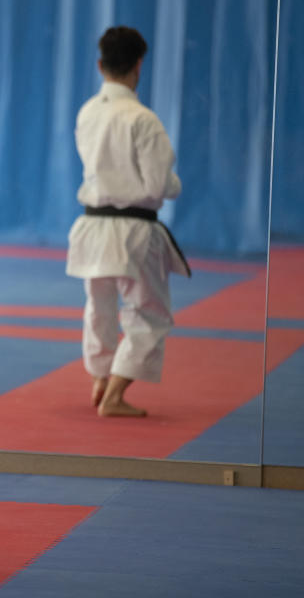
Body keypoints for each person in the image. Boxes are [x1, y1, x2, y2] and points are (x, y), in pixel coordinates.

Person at [66, 26, 190, 418]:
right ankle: (116, 393)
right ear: (139, 66)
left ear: (100, 64)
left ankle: (101, 379)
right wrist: (175, 183)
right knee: (148, 312)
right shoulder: (143, 118)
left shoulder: (88, 111)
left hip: (93, 225)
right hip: (135, 229)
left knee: (99, 307)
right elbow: (159, 184)